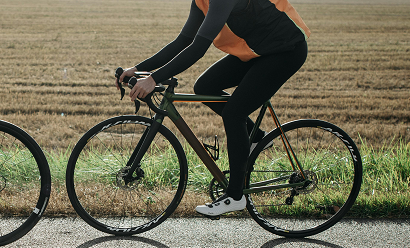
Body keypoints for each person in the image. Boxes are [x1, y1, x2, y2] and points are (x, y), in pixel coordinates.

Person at [119, 0, 310, 217]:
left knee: (234, 113)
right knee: (205, 86)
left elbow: (199, 48)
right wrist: (139, 69)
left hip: (285, 49)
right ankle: (255, 136)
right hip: (258, 49)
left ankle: (236, 196)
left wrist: (154, 79)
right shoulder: (200, 1)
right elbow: (183, 40)